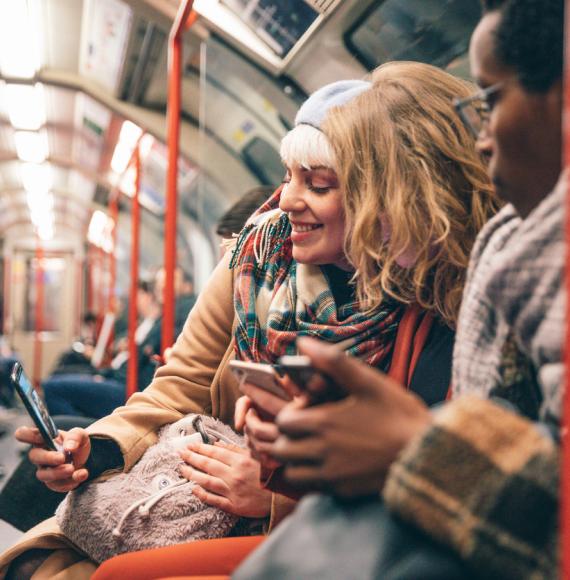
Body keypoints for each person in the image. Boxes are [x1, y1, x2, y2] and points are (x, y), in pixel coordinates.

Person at [2, 73, 497, 579]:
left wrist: (276, 496)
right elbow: (179, 386)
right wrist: (99, 449)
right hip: (197, 494)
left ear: (381, 196)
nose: (286, 200)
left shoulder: (439, 307)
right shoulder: (259, 256)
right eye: (288, 177)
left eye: (319, 185)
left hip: (292, 527)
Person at [237, 1, 563, 578]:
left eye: (490, 102)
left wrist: (413, 447)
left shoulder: (502, 286)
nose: (484, 139)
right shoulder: (432, 296)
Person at [42, 281, 162, 420]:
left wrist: (105, 374)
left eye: (138, 296)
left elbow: (136, 363)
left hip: (124, 384)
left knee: (52, 388)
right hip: (115, 374)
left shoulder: (157, 327)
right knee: (58, 374)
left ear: (148, 296)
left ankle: (78, 432)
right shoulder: (142, 324)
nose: (134, 301)